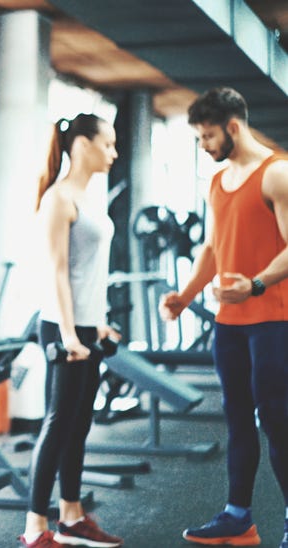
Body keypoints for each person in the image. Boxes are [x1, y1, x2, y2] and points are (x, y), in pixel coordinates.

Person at [160, 86, 288, 548]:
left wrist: (254, 285)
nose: (204, 146)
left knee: (278, 419)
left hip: (275, 319)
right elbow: (213, 248)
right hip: (229, 325)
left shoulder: (277, 174)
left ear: (233, 127)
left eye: (208, 136)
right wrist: (185, 295)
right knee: (236, 419)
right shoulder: (217, 182)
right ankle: (239, 517)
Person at [19, 113, 123, 548]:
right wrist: (69, 336)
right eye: (108, 144)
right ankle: (34, 530)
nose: (114, 153)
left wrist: (98, 325)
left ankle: (72, 516)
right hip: (62, 327)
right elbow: (57, 273)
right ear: (82, 145)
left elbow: (89, 272)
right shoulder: (59, 198)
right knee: (59, 422)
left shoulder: (88, 195)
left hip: (86, 326)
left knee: (80, 424)